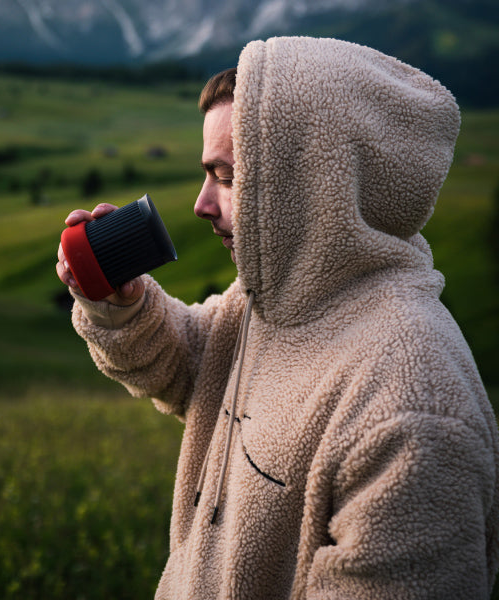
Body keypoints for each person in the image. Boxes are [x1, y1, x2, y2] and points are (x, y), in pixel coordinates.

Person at [57, 36, 499, 600]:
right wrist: (124, 307)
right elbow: (197, 359)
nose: (200, 204)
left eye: (228, 176)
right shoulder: (272, 300)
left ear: (312, 184)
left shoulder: (412, 404)